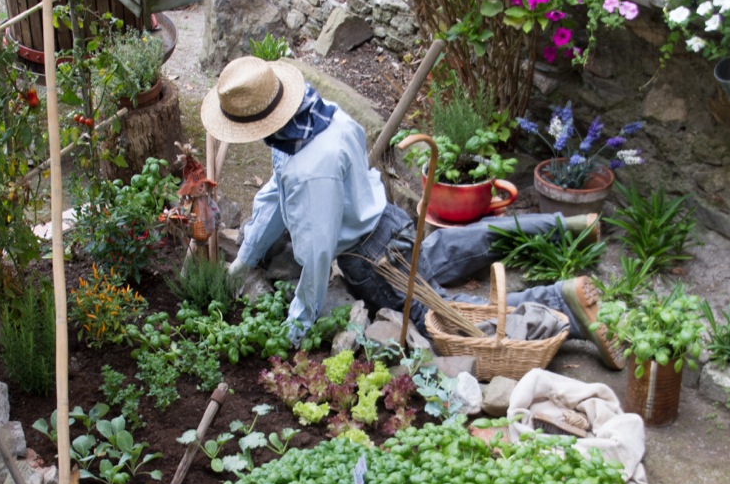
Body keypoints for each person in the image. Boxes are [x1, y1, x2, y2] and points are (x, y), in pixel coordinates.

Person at [199, 56, 623, 369]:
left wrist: (298, 322)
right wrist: (245, 259)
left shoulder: (311, 169)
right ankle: (566, 227)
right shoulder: (316, 116)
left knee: (447, 316)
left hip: (372, 262)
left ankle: (561, 302)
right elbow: (274, 195)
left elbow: (316, 255)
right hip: (388, 221)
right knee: (460, 244)